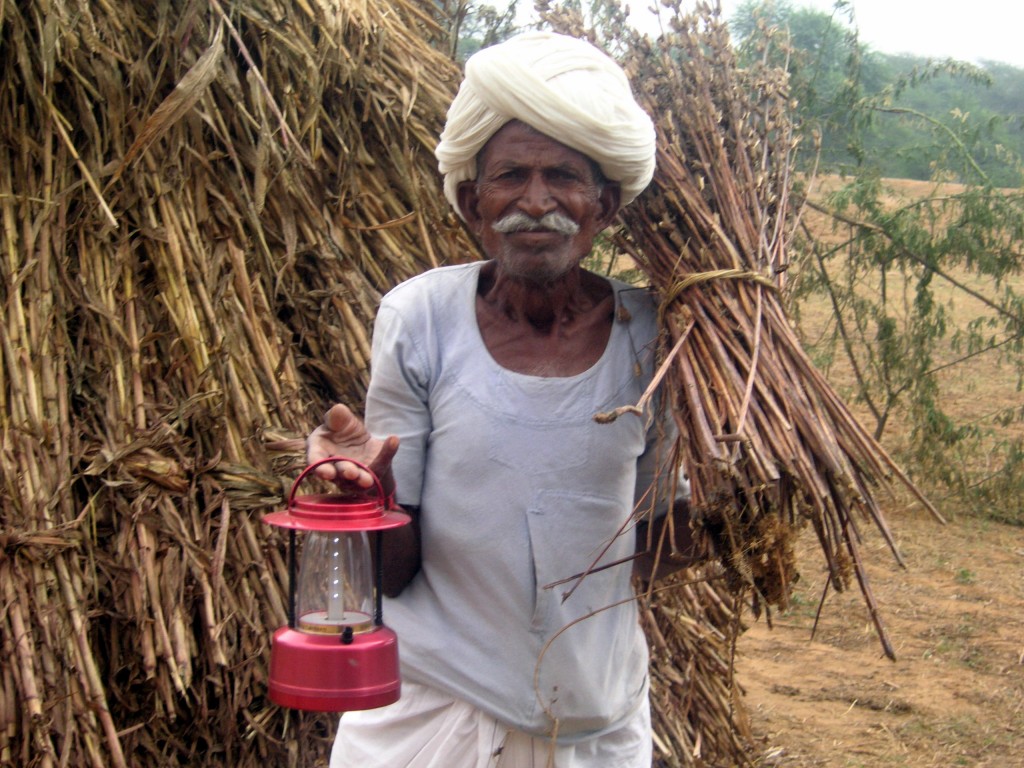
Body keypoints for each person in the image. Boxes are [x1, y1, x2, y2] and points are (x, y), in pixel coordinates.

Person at [307, 30, 694, 768]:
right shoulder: (419, 319)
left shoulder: (654, 336)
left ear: (603, 204)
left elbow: (652, 551)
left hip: (590, 724)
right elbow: (394, 573)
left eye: (564, 177)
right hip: (429, 715)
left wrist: (737, 510)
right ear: (470, 202)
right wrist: (372, 494)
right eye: (510, 175)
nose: (536, 201)